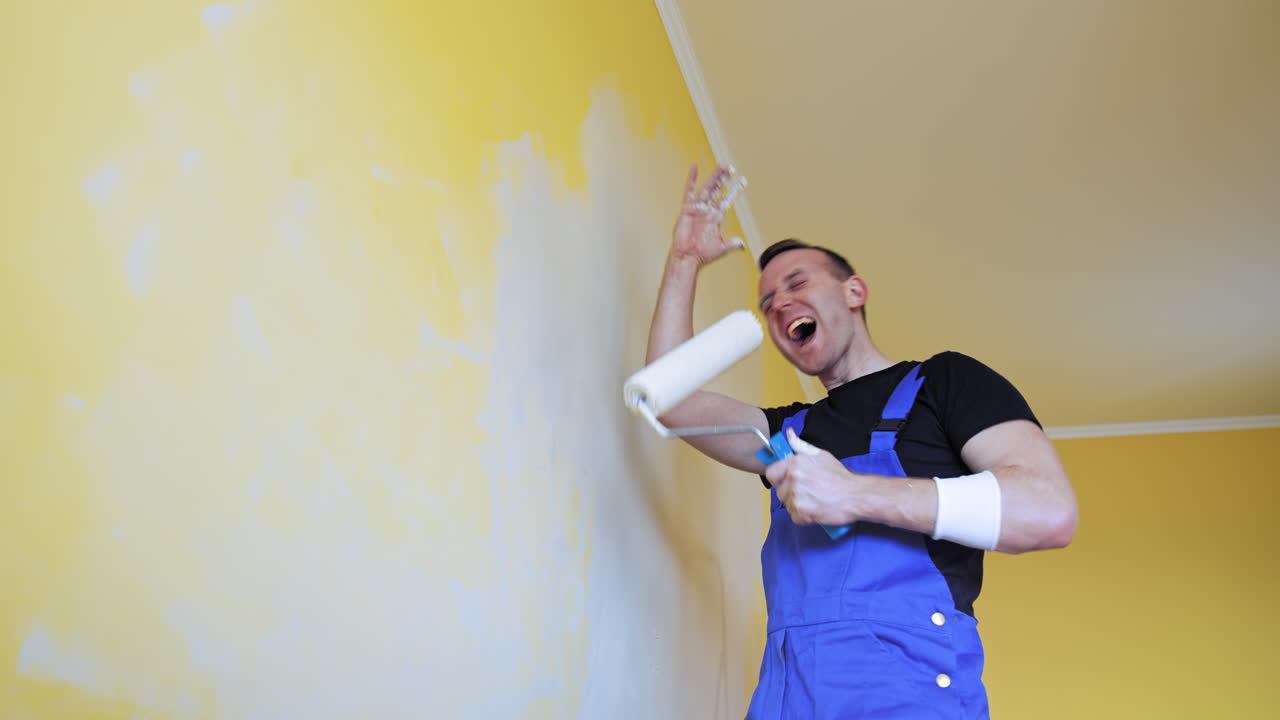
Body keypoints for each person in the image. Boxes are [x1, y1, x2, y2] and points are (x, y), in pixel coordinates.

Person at [646, 165, 1079, 719]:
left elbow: (1047, 512)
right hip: (786, 700)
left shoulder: (943, 383)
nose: (779, 305)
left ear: (854, 292)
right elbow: (666, 397)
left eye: (797, 284)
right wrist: (684, 262)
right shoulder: (783, 436)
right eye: (767, 302)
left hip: (905, 698)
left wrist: (854, 494)